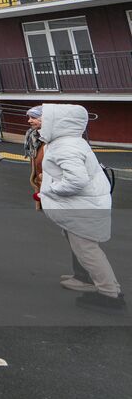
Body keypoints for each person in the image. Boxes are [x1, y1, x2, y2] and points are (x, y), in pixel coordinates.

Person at [38, 104, 122, 312]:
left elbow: (76, 181)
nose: (40, 123)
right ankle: (102, 285)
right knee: (85, 248)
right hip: (86, 205)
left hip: (83, 207)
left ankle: (110, 294)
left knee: (88, 251)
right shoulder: (71, 142)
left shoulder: (65, 146)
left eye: (44, 119)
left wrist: (51, 189)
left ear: (58, 123)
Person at [26, 108, 95, 291]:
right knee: (70, 234)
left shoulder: (56, 142)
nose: (30, 121)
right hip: (60, 195)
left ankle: (86, 277)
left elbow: (73, 174)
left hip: (72, 198)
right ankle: (80, 273)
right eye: (29, 117)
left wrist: (50, 182)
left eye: (34, 117)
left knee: (78, 236)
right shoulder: (38, 139)